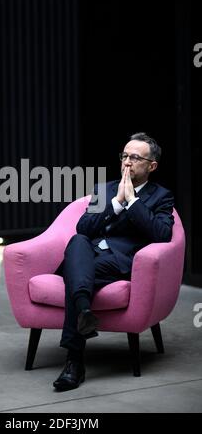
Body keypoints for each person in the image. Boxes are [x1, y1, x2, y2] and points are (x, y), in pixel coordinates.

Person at [53, 132, 175, 391]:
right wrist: (117, 201)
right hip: (89, 255)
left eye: (135, 157)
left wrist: (131, 201)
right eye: (124, 156)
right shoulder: (104, 189)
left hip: (119, 262)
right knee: (77, 242)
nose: (127, 162)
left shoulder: (161, 197)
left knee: (77, 274)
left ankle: (74, 362)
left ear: (151, 166)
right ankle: (84, 310)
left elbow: (162, 234)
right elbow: (84, 227)